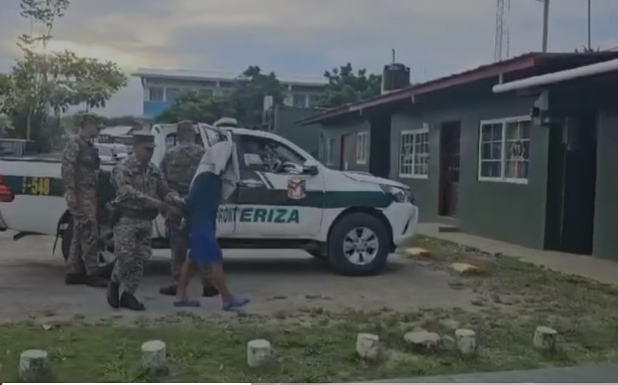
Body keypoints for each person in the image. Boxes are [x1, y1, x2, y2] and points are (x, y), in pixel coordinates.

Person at [107, 133, 183, 311]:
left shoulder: (153, 170)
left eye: (152, 150)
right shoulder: (124, 168)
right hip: (127, 217)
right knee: (126, 256)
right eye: (146, 149)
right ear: (135, 148)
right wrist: (154, 201)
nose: (149, 153)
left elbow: (164, 189)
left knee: (141, 258)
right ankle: (114, 282)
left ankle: (129, 294)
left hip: (145, 219)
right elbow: (126, 191)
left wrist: (173, 197)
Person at [174, 139, 249, 310]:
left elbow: (192, 202)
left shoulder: (208, 178)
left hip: (202, 224)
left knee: (192, 260)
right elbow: (196, 203)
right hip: (202, 225)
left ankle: (181, 296)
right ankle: (227, 298)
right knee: (215, 258)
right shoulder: (208, 179)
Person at [158, 120, 219, 298]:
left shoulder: (169, 154)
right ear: (193, 134)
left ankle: (177, 283)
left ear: (178, 135)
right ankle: (208, 283)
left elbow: (162, 181)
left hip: (177, 203)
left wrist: (169, 201)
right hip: (198, 204)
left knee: (178, 246)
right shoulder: (205, 154)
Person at [60, 113, 107, 287]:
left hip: (88, 192)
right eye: (96, 126)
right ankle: (91, 272)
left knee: (79, 232)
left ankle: (74, 271)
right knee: (89, 232)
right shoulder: (75, 143)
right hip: (81, 193)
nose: (98, 129)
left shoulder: (89, 146)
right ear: (87, 125)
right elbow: (68, 167)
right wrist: (71, 191)